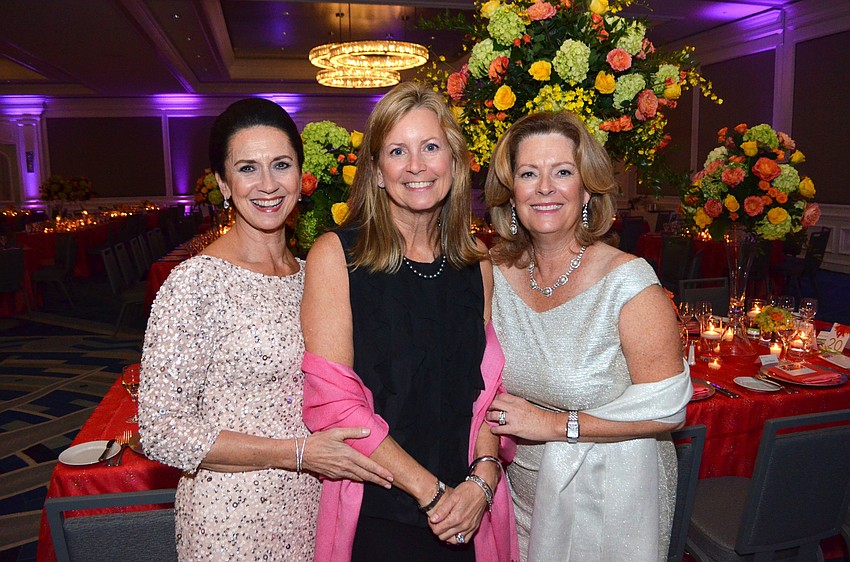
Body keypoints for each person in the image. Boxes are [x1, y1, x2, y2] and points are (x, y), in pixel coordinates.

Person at [138, 98, 392, 562]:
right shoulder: (196, 283)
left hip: (317, 504)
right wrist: (294, 453)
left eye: (281, 165)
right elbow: (161, 431)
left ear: (301, 176)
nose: (268, 185)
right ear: (223, 184)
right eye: (248, 168)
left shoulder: (312, 274)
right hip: (232, 518)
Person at [301, 82, 518, 562]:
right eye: (398, 151)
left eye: (431, 147)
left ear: (454, 162)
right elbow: (338, 409)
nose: (417, 165)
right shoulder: (337, 257)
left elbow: (486, 393)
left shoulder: (476, 264)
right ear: (377, 172)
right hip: (381, 515)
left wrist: (481, 479)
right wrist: (434, 494)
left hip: (469, 514)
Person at [483, 111, 692, 562]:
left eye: (562, 172)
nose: (544, 188)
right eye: (528, 174)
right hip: (516, 495)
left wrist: (554, 425)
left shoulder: (629, 283)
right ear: (511, 192)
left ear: (586, 189)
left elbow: (670, 408)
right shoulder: (494, 276)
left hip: (607, 503)